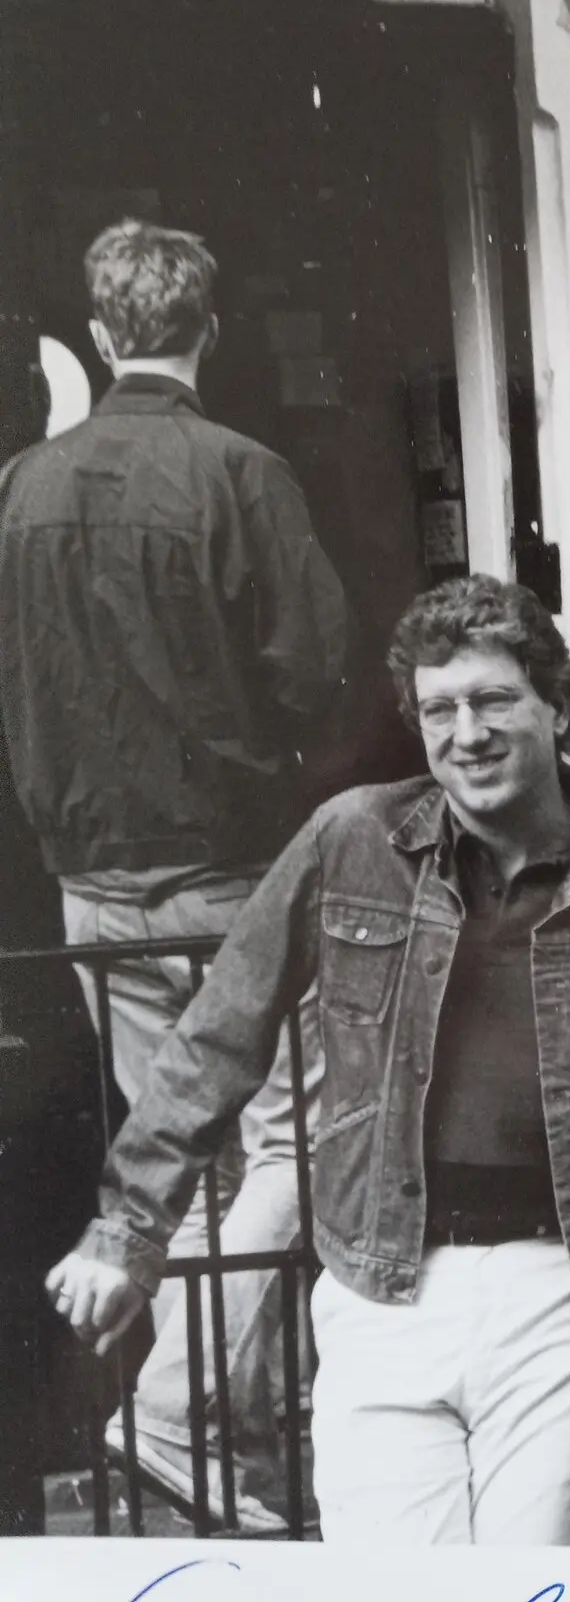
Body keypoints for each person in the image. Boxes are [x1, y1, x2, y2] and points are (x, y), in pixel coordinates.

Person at [46, 575, 570, 1547]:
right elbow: (216, 1037)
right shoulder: (352, 838)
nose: (468, 732)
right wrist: (127, 1230)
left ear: (559, 705)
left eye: (494, 700)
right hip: (382, 1283)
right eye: (440, 708)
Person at [0, 221, 349, 1531]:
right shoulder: (240, 473)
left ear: (100, 335)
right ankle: (173, 1415)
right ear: (212, 327)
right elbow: (316, 665)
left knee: (183, 1162)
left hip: (94, 886)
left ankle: (213, 1440)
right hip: (234, 878)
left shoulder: (20, 489)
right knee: (289, 1145)